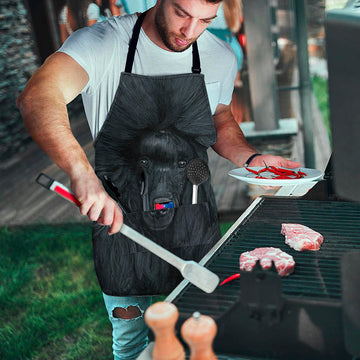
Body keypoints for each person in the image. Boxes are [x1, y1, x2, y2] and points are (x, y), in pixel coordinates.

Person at [17, 0, 301, 359]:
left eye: (205, 20)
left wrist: (252, 157)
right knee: (132, 343)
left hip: (193, 223)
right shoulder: (103, 43)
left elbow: (220, 118)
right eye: (182, 14)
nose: (190, 31)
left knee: (200, 334)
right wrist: (81, 174)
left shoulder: (219, 56)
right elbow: (38, 96)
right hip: (120, 225)